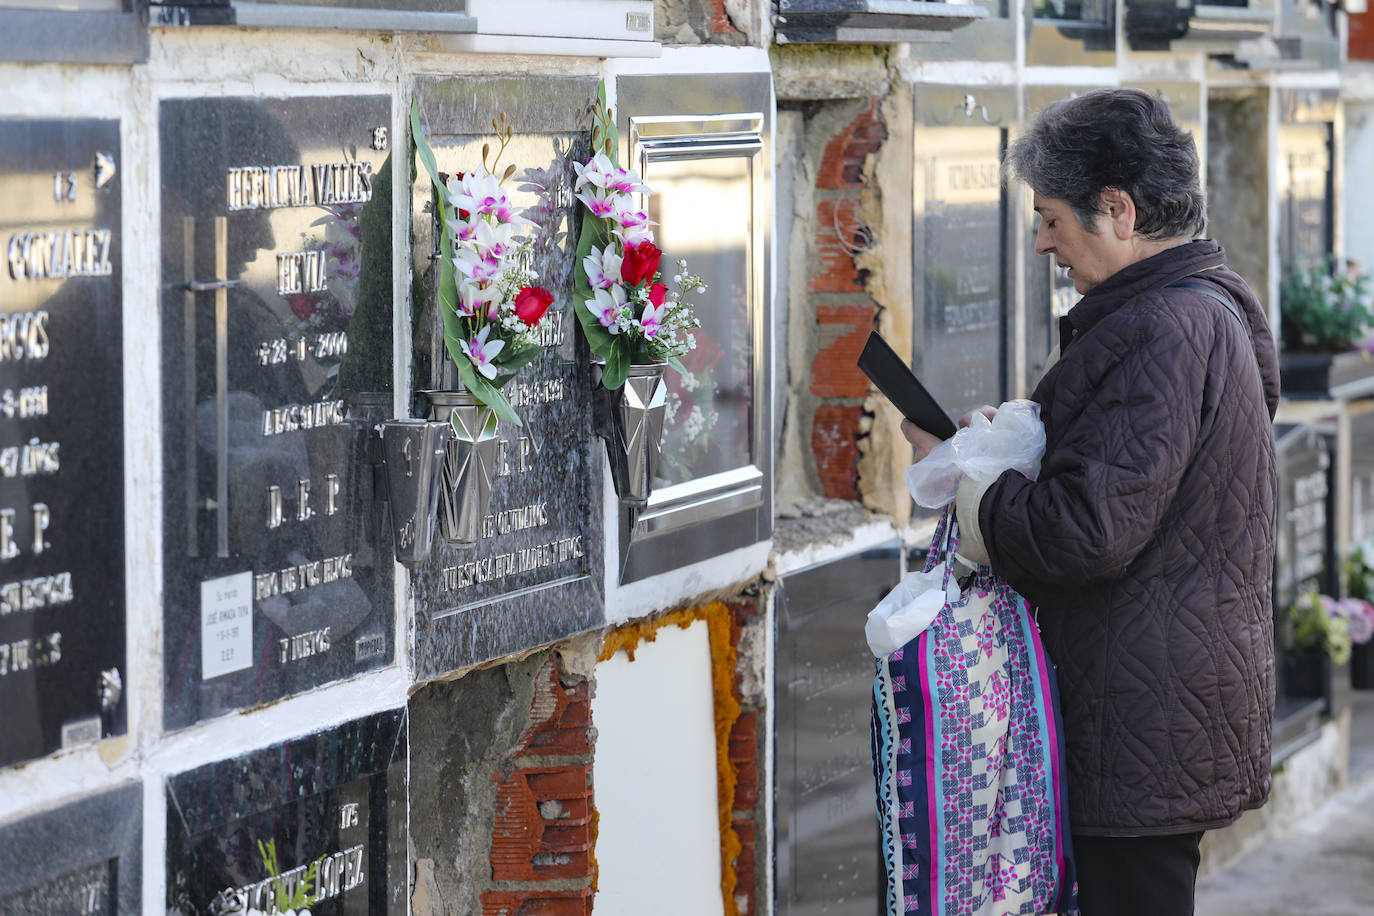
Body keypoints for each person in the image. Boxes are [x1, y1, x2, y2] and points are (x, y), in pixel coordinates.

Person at [902, 88, 1279, 916]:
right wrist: (1018, 447)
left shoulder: (1165, 328)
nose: (1042, 243)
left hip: (1139, 725)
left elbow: (1089, 530)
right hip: (1153, 710)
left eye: (1050, 218)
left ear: (1117, 209)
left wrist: (974, 488)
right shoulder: (1192, 307)